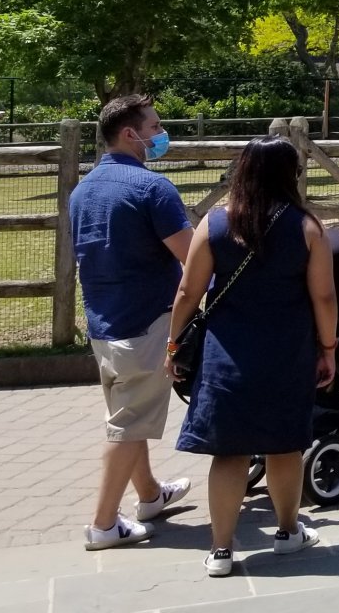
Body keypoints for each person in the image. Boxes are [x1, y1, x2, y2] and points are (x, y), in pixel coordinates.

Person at [167, 136, 338, 578]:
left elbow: (188, 291)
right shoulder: (307, 228)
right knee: (286, 446)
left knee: (229, 454)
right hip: (287, 354)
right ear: (290, 176)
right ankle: (287, 532)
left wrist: (173, 344)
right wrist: (329, 348)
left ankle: (221, 551)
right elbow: (324, 296)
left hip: (226, 357)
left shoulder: (215, 223)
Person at [69, 94, 195, 550]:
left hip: (104, 323)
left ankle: (149, 495)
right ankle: (103, 524)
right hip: (146, 324)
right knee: (126, 425)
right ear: (130, 134)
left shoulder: (83, 190)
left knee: (129, 413)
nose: (160, 135)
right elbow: (193, 257)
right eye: (155, 126)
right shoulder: (151, 189)